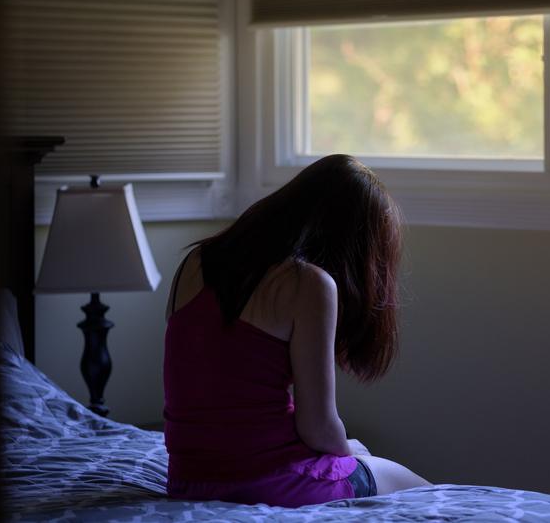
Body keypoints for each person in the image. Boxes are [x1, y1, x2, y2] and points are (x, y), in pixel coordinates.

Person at [162, 154, 431, 507]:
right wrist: (347, 448)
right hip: (268, 480)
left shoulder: (196, 261)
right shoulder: (308, 284)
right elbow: (318, 426)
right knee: (421, 489)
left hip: (188, 481)